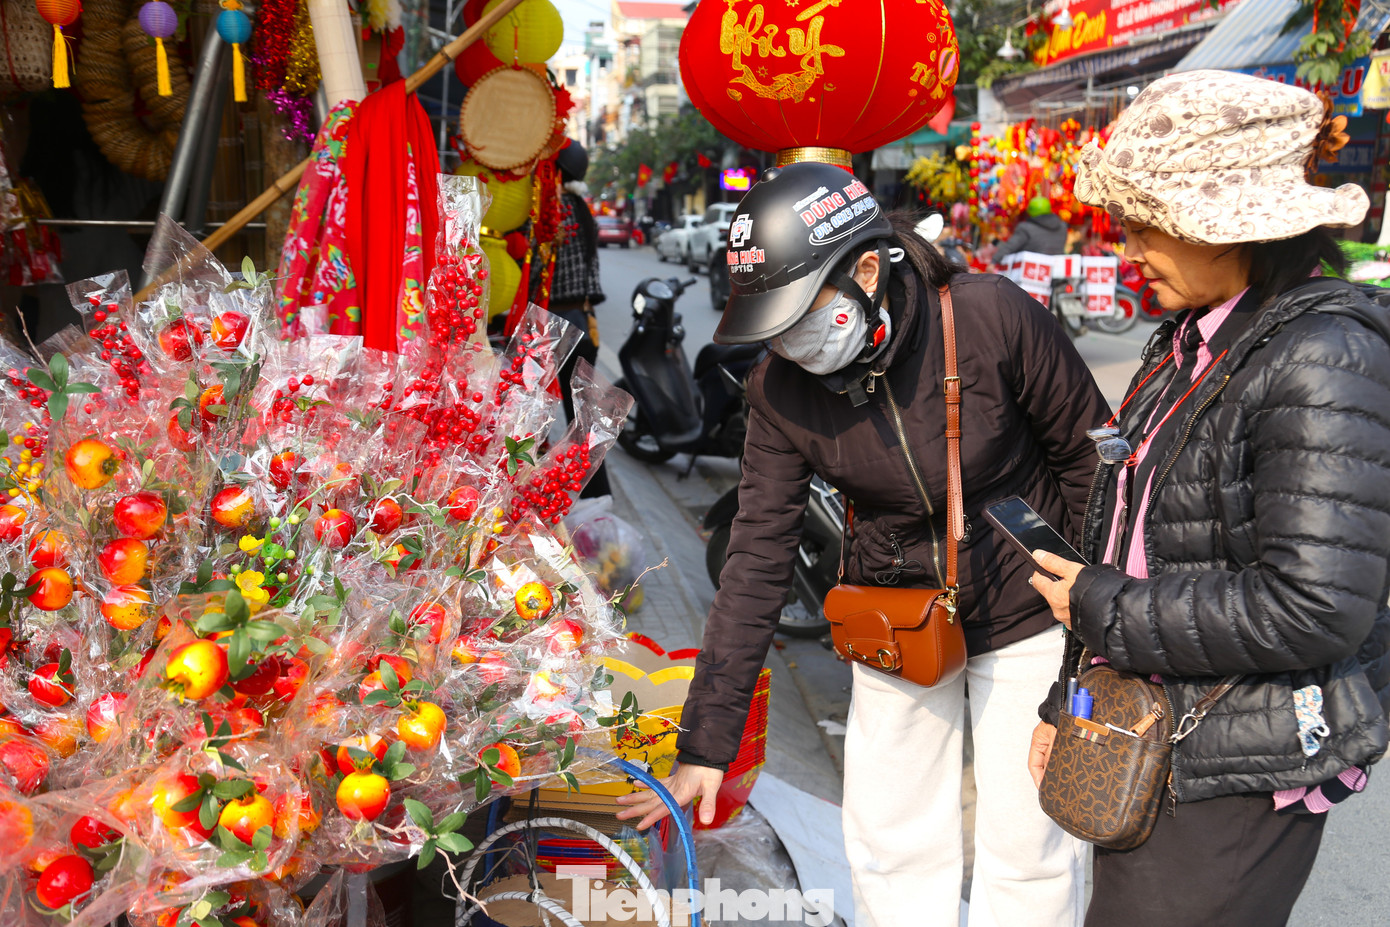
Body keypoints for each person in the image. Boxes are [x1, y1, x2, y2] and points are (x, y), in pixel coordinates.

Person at [615, 160, 1111, 927]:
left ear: (869, 270)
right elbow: (757, 557)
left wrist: (1101, 612)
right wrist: (705, 744)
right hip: (896, 613)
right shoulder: (778, 389)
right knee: (890, 835)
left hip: (1029, 608)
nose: (787, 343)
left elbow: (1091, 464)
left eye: (797, 316)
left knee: (1030, 842)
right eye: (770, 326)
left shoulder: (988, 319)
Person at [1027, 70, 1390, 927]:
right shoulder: (1189, 339)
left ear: (1228, 225)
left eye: (1147, 223)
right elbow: (1123, 538)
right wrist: (1067, 703)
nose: (1129, 245)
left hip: (1236, 764)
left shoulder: (1322, 354)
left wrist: (1103, 609)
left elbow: (1314, 606)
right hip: (1154, 726)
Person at [548, 139, 609, 497]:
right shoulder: (582, 209)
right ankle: (598, 497)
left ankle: (587, 496)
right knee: (583, 417)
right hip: (586, 320)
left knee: (537, 413)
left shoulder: (558, 211)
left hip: (560, 321)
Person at [994, 196, 1068, 259]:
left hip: (1032, 269)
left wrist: (994, 261)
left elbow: (1010, 247)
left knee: (995, 242)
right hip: (1057, 269)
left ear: (1030, 211)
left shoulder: (1025, 228)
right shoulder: (1062, 227)